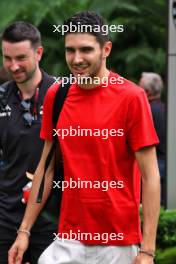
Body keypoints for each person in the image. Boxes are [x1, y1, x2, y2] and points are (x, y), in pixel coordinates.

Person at [9, 12, 160, 264]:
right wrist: (24, 231)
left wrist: (147, 249)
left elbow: (151, 176)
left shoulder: (132, 97)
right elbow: (45, 169)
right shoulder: (57, 95)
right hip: (68, 240)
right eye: (70, 50)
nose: (76, 59)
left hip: (118, 243)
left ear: (106, 49)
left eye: (86, 50)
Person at [0, 21, 57, 264]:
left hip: (53, 218)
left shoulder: (63, 94)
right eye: (7, 58)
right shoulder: (1, 96)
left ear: (39, 53)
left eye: (21, 58)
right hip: (6, 218)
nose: (14, 66)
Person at [139, 72, 166, 205]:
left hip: (151, 166)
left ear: (147, 92)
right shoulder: (168, 109)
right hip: (168, 165)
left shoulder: (145, 110)